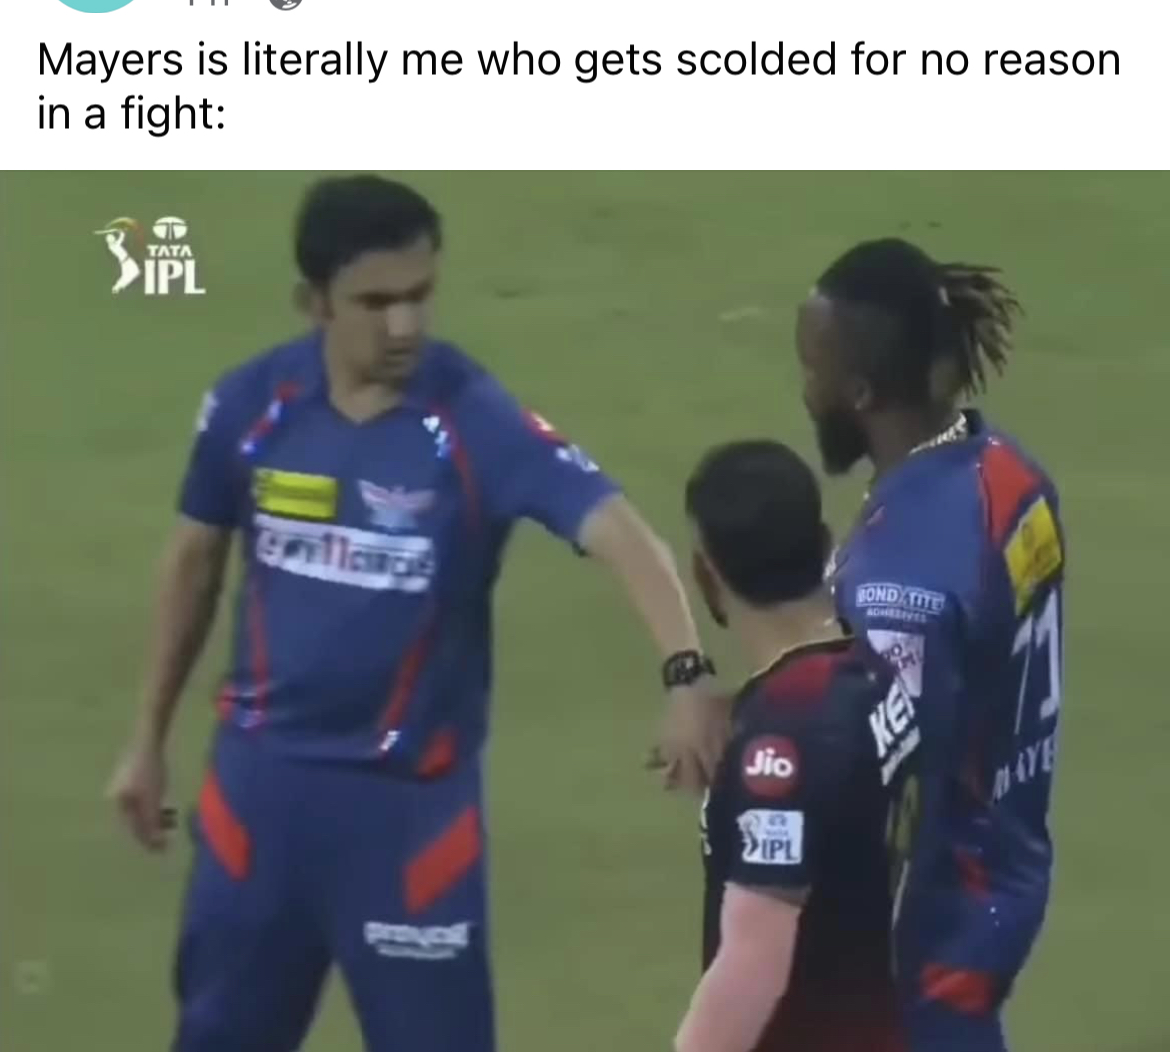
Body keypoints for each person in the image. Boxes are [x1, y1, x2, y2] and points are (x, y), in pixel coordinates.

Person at [105, 174, 727, 1052]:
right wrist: (146, 740)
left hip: (407, 818)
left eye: (419, 295)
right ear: (314, 302)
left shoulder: (473, 420)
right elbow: (194, 563)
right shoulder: (250, 408)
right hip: (260, 801)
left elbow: (624, 537)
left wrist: (687, 674)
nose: (404, 325)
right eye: (375, 303)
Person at [795, 237, 1066, 1051]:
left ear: (861, 391)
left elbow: (879, 784)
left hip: (929, 930)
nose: (805, 390)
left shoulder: (900, 582)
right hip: (1002, 870)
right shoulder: (1009, 476)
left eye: (813, 370)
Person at [673, 439, 915, 1052]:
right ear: (824, 544)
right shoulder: (873, 671)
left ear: (706, 574)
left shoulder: (783, 743)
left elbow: (753, 966)